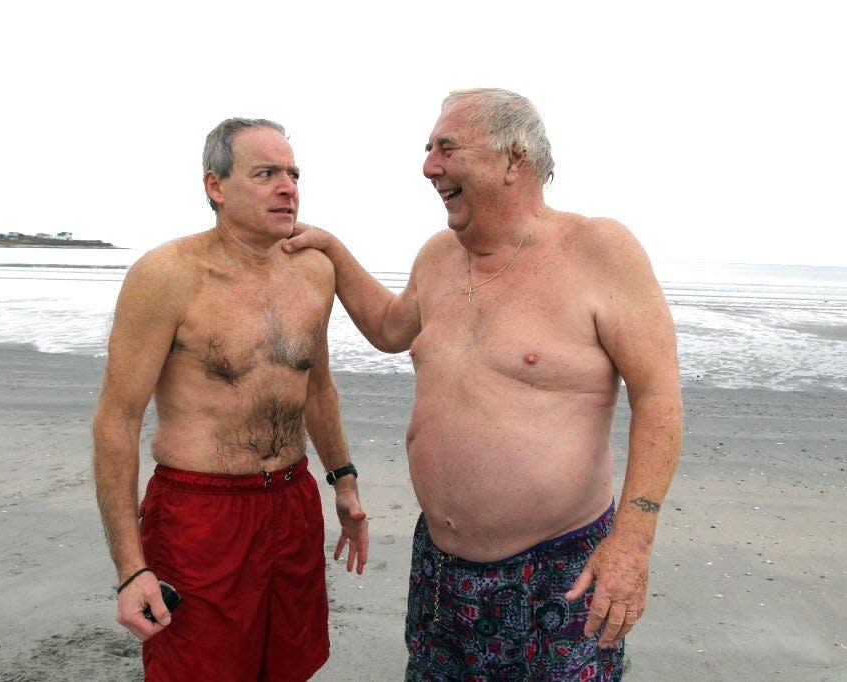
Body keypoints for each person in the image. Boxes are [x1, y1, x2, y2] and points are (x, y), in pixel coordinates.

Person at [283, 88, 682, 680]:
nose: (428, 166)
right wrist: (334, 253)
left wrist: (633, 543)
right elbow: (392, 328)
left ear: (512, 159)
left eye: (446, 148)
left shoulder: (599, 249)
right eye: (427, 149)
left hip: (560, 570)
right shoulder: (438, 256)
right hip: (441, 571)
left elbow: (659, 398)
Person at [92, 117, 368, 682]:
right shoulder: (167, 274)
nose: (288, 187)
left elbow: (316, 387)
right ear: (215, 186)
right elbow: (117, 421)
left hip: (291, 503)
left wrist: (344, 480)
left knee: (290, 664)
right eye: (266, 173)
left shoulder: (315, 271)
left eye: (293, 173)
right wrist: (130, 568)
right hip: (200, 513)